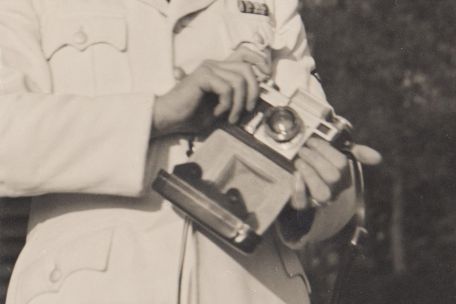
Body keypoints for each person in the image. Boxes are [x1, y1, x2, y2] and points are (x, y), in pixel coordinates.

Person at [0, 0, 381, 303]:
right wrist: (157, 113)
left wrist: (314, 199)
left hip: (251, 287)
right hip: (93, 290)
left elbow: (329, 165)